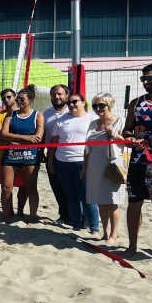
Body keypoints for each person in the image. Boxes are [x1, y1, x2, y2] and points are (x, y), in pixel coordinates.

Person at [49, 93, 99, 236]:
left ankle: (94, 229)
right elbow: (53, 142)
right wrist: (51, 162)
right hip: (63, 162)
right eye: (69, 102)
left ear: (83, 102)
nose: (71, 105)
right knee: (71, 196)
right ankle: (76, 225)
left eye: (74, 102)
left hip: (83, 162)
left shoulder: (92, 118)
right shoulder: (62, 119)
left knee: (87, 197)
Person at [122, 63, 152, 259]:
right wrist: (130, 139)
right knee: (134, 203)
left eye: (150, 78)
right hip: (138, 160)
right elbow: (127, 130)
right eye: (143, 79)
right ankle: (132, 246)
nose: (145, 82)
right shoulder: (136, 103)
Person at [83, 93, 127, 245]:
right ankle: (105, 233)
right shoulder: (93, 123)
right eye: (95, 105)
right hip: (94, 165)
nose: (97, 108)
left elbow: (128, 143)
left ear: (109, 105)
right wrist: (84, 168)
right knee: (100, 201)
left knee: (112, 202)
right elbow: (86, 148)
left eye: (101, 105)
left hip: (112, 165)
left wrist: (114, 135)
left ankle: (114, 235)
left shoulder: (120, 121)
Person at [1, 85, 44, 223]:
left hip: (29, 155)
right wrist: (25, 138)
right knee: (6, 188)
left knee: (31, 187)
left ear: (30, 100)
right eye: (18, 99)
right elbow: (3, 134)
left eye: (22, 99)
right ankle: (7, 216)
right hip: (11, 155)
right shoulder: (10, 114)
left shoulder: (38, 115)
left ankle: (32, 217)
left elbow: (37, 138)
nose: (19, 102)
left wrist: (15, 141)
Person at [0, 88, 28, 217]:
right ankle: (8, 212)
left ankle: (20, 212)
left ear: (15, 97)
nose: (6, 100)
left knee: (24, 186)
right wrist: (22, 138)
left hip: (23, 154)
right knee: (7, 187)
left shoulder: (25, 115)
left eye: (9, 97)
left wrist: (14, 139)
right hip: (3, 155)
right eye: (4, 98)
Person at [42, 84, 72, 225]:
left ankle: (79, 217)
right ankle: (64, 216)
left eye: (60, 94)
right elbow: (42, 136)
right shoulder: (45, 114)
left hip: (70, 154)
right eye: (54, 94)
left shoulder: (74, 111)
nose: (57, 97)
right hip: (52, 155)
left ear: (66, 95)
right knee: (57, 188)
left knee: (72, 189)